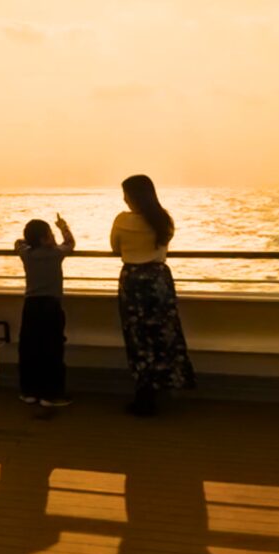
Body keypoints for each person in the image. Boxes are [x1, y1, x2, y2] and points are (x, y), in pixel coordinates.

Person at [111, 175, 195, 416]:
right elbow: (164, 243)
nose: (124, 199)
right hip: (158, 280)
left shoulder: (121, 220)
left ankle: (144, 393)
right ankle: (166, 383)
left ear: (133, 196)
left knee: (137, 337)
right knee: (163, 332)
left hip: (133, 281)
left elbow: (115, 248)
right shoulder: (163, 219)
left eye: (126, 194)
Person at [15, 214, 75, 407]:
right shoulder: (55, 253)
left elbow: (18, 243)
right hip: (51, 306)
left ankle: (29, 391)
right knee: (52, 349)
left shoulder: (26, 254)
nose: (53, 236)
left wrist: (31, 242)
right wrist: (63, 227)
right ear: (44, 239)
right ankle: (51, 394)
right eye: (50, 234)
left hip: (31, 305)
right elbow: (70, 243)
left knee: (30, 348)